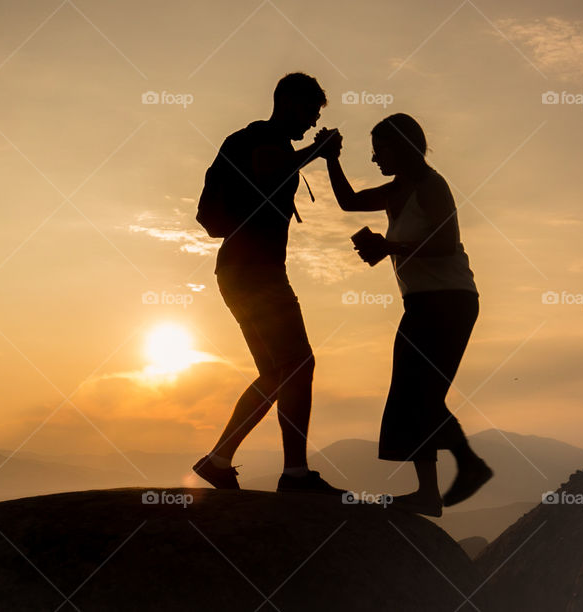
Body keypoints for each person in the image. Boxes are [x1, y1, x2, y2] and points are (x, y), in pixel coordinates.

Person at [324, 113, 493, 516]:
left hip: (449, 300)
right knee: (414, 392)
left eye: (379, 150)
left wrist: (391, 248)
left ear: (401, 147)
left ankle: (447, 480)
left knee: (418, 392)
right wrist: (330, 159)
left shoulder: (432, 187)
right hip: (423, 302)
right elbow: (349, 202)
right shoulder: (396, 190)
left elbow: (446, 243)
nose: (374, 158)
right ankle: (436, 487)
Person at [192, 73, 344, 494]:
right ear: (289, 102)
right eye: (310, 111)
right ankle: (295, 474)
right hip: (255, 271)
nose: (313, 121)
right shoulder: (263, 138)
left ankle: (218, 460)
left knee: (277, 371)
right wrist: (317, 151)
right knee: (298, 364)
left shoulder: (266, 142)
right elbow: (267, 172)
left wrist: (316, 154)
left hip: (241, 271)